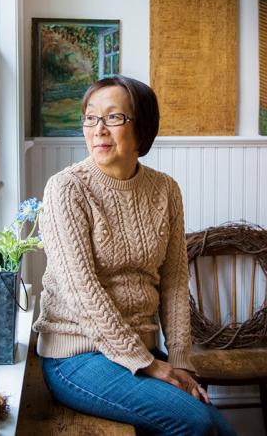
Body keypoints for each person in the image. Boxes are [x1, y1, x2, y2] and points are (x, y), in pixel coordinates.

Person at [33, 75, 236, 435]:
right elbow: (83, 293)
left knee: (218, 425)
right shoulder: (66, 190)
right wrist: (149, 364)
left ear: (142, 128)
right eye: (91, 117)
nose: (99, 129)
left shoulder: (165, 190)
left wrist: (180, 362)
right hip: (78, 356)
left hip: (138, 352)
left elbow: (174, 282)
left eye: (113, 118)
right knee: (198, 423)